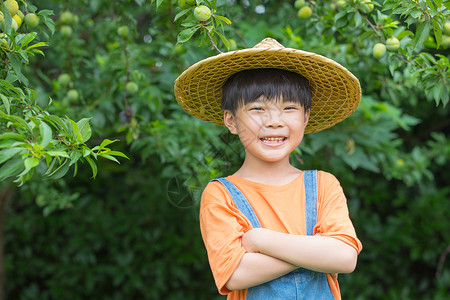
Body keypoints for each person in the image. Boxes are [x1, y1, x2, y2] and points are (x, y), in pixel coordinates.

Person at [174, 38, 363, 300]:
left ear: (305, 117)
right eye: (257, 109)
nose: (274, 122)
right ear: (231, 120)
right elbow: (236, 274)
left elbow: (344, 257)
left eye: (288, 108)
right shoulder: (221, 195)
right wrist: (317, 250)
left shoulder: (323, 185)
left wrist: (261, 240)